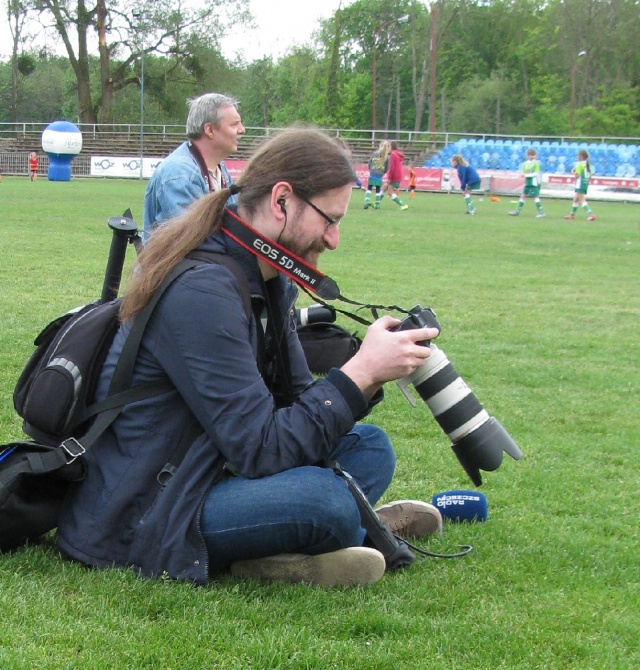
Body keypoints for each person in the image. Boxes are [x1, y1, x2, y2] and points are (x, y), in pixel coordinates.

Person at [56, 127, 443, 588]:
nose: (334, 239)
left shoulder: (266, 276)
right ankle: (340, 527)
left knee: (370, 448)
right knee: (326, 502)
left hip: (208, 462)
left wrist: (369, 376)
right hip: (149, 506)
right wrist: (359, 373)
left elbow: (297, 400)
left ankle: (299, 542)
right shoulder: (204, 290)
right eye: (330, 220)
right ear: (282, 200)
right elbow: (261, 450)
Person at [143, 92, 245, 242]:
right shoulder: (179, 174)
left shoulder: (219, 168)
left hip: (205, 264)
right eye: (234, 124)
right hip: (179, 264)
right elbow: (191, 242)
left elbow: (234, 223)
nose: (242, 130)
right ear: (210, 130)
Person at [509, 148, 545, 218]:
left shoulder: (536, 163)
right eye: (530, 155)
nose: (532, 156)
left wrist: (525, 175)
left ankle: (541, 213)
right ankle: (517, 211)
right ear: (527, 155)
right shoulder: (525, 164)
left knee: (535, 197)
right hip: (528, 183)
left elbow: (536, 173)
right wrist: (523, 174)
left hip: (533, 183)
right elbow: (524, 172)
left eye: (533, 155)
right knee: (523, 196)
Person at [564, 149, 596, 221]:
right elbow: (589, 175)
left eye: (578, 155)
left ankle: (590, 214)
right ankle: (572, 215)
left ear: (581, 156)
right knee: (575, 199)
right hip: (584, 184)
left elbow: (577, 176)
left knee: (581, 200)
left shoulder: (579, 165)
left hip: (580, 184)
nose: (577, 157)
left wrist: (572, 172)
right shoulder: (586, 164)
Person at [363, 140, 391, 210]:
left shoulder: (374, 153)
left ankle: (366, 202)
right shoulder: (387, 157)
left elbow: (370, 162)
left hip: (372, 173)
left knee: (369, 188)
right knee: (378, 190)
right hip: (379, 175)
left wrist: (371, 169)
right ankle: (377, 205)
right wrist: (383, 172)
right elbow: (387, 168)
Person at [383, 141, 409, 210]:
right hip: (398, 175)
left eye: (388, 146)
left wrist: (389, 177)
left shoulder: (393, 155)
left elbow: (392, 167)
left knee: (390, 193)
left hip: (394, 176)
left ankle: (403, 205)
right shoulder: (398, 154)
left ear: (391, 147)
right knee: (384, 188)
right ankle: (376, 203)